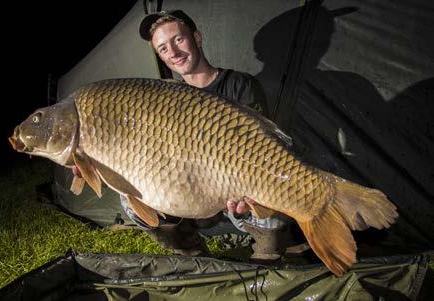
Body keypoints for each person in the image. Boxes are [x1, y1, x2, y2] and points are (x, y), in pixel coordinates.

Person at [74, 10, 292, 261]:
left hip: (234, 191)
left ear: (197, 38)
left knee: (275, 195)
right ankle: (193, 257)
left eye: (178, 40)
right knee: (130, 199)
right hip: (187, 194)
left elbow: (264, 151)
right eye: (163, 49)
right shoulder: (161, 99)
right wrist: (96, 163)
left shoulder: (240, 85)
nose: (173, 53)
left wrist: (246, 191)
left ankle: (267, 261)